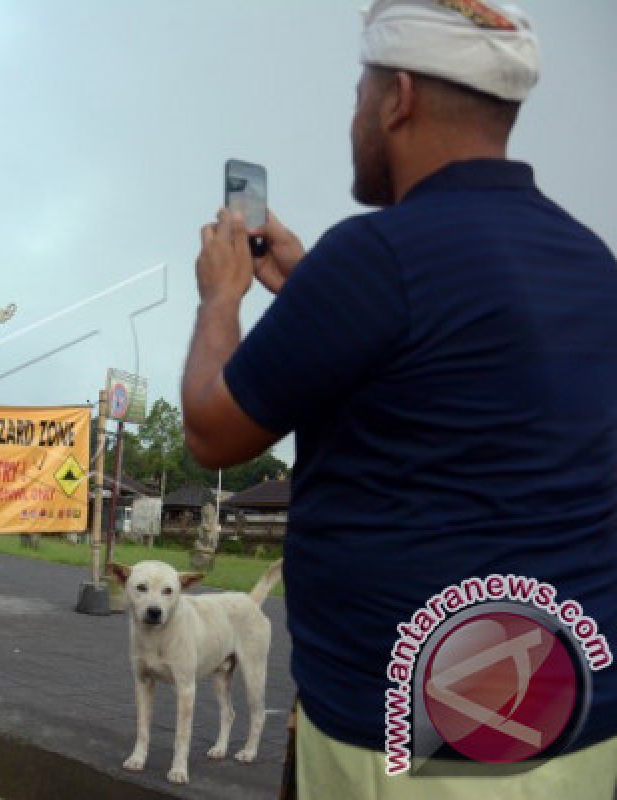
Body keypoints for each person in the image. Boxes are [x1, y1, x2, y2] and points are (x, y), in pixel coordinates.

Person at [181, 2, 617, 798]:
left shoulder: (377, 257)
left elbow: (212, 430)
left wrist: (221, 296)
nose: (356, 113)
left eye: (360, 92)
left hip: (412, 753)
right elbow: (448, 371)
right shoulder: (591, 259)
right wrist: (313, 285)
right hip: (576, 734)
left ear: (399, 98)